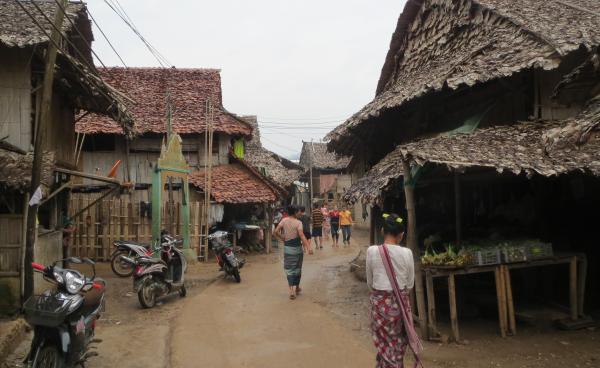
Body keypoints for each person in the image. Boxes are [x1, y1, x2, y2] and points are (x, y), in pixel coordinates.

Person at [366, 213, 421, 368]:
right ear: (401, 235)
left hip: (379, 305)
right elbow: (410, 284)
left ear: (383, 231)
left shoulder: (372, 251)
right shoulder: (407, 253)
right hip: (400, 305)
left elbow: (370, 283)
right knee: (398, 342)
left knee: (384, 344)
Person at [274, 205, 312, 300]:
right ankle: (296, 287)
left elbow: (275, 231)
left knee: (289, 269)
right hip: (297, 249)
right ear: (295, 212)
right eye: (298, 211)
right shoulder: (298, 223)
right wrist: (308, 247)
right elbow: (302, 236)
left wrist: (282, 238)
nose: (299, 213)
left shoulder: (284, 220)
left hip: (287, 249)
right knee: (297, 268)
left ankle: (292, 290)